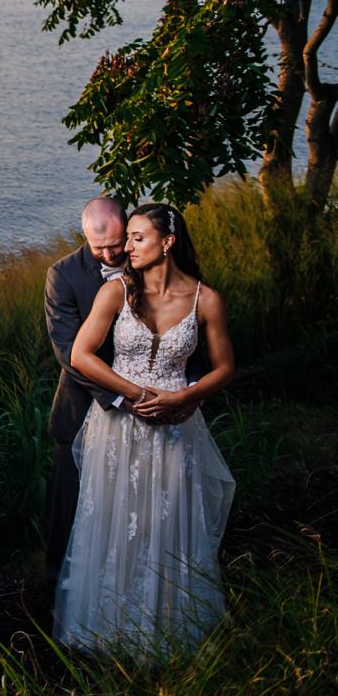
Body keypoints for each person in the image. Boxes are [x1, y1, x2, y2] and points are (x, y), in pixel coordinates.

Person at [55, 203, 236, 651]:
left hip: (177, 425)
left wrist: (185, 397)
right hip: (118, 428)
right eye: (126, 238)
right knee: (115, 519)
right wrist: (134, 394)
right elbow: (80, 355)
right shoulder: (115, 292)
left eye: (137, 238)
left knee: (169, 518)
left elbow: (225, 368)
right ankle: (109, 628)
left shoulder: (205, 299)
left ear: (167, 243)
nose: (125, 249)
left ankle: (170, 628)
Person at [43, 196, 130, 587]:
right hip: (81, 408)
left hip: (142, 402)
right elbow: (68, 351)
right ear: (85, 237)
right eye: (100, 248)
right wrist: (119, 397)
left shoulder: (146, 261)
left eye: (117, 244)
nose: (111, 254)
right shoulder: (61, 275)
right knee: (71, 504)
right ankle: (59, 583)